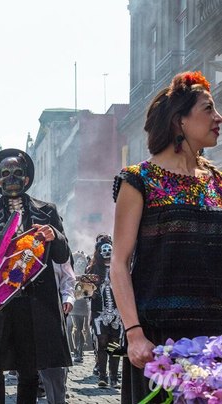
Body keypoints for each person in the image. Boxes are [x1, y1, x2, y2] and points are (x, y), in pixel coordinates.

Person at [110, 71, 222, 404]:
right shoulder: (139, 180)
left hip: (216, 337)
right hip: (159, 342)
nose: (218, 118)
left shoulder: (218, 181)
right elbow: (118, 263)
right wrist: (134, 334)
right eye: (208, 109)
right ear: (180, 121)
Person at [0, 148, 72, 404]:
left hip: (35, 306)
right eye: (6, 173)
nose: (12, 178)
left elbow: (61, 256)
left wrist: (54, 235)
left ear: (26, 179)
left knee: (29, 370)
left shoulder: (47, 212)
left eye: (17, 173)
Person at [39, 257, 75, 404]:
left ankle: (57, 398)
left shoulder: (58, 242)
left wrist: (68, 297)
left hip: (55, 305)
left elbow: (67, 274)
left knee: (56, 359)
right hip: (27, 306)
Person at [87, 234, 121, 389]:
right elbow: (85, 291)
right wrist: (90, 292)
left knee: (115, 343)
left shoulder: (121, 267)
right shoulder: (93, 269)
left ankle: (114, 376)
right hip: (99, 312)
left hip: (117, 312)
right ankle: (102, 376)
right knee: (102, 342)